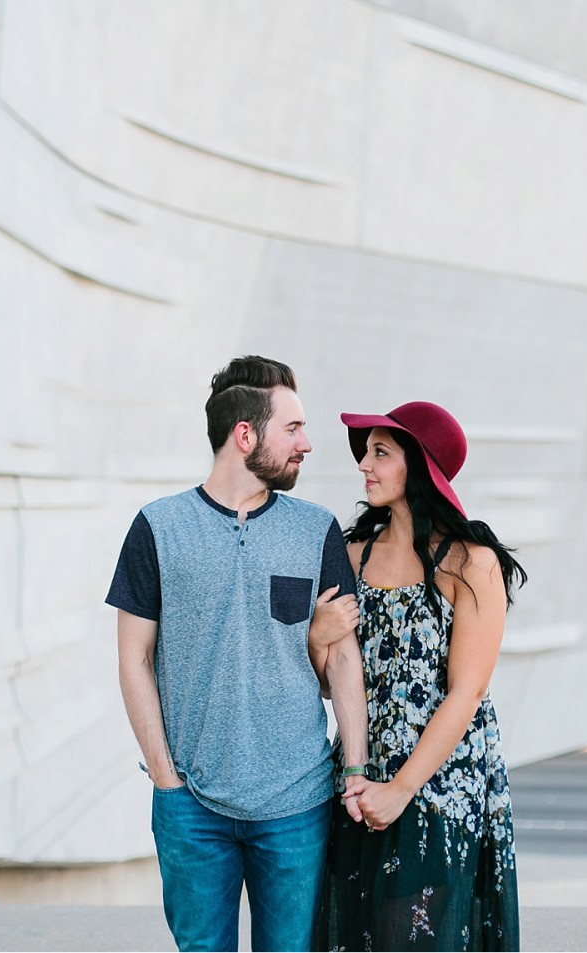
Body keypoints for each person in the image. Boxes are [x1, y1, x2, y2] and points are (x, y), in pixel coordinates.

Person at [108, 355, 370, 953]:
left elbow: (342, 658)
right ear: (244, 435)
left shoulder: (317, 530)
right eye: (293, 429)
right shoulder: (157, 527)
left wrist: (353, 767)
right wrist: (167, 781)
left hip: (297, 805)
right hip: (192, 807)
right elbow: (133, 659)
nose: (307, 444)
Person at [313, 401, 526, 952]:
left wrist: (401, 790)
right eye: (366, 451)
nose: (364, 463)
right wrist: (316, 639)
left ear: (422, 465)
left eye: (380, 451)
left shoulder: (470, 562)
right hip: (358, 780)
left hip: (439, 784)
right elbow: (328, 677)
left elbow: (469, 691)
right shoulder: (350, 553)